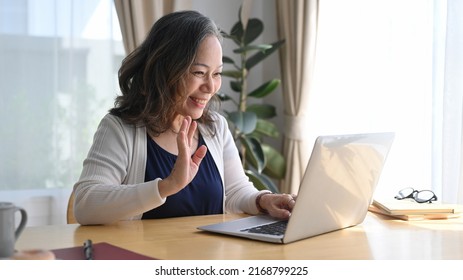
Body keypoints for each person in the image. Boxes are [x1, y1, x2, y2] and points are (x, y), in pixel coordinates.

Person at [73, 10, 296, 225]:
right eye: (199, 73)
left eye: (217, 73)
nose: (211, 87)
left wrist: (263, 200)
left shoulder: (216, 127)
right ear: (166, 70)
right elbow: (86, 205)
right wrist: (167, 186)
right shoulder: (120, 128)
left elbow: (235, 190)